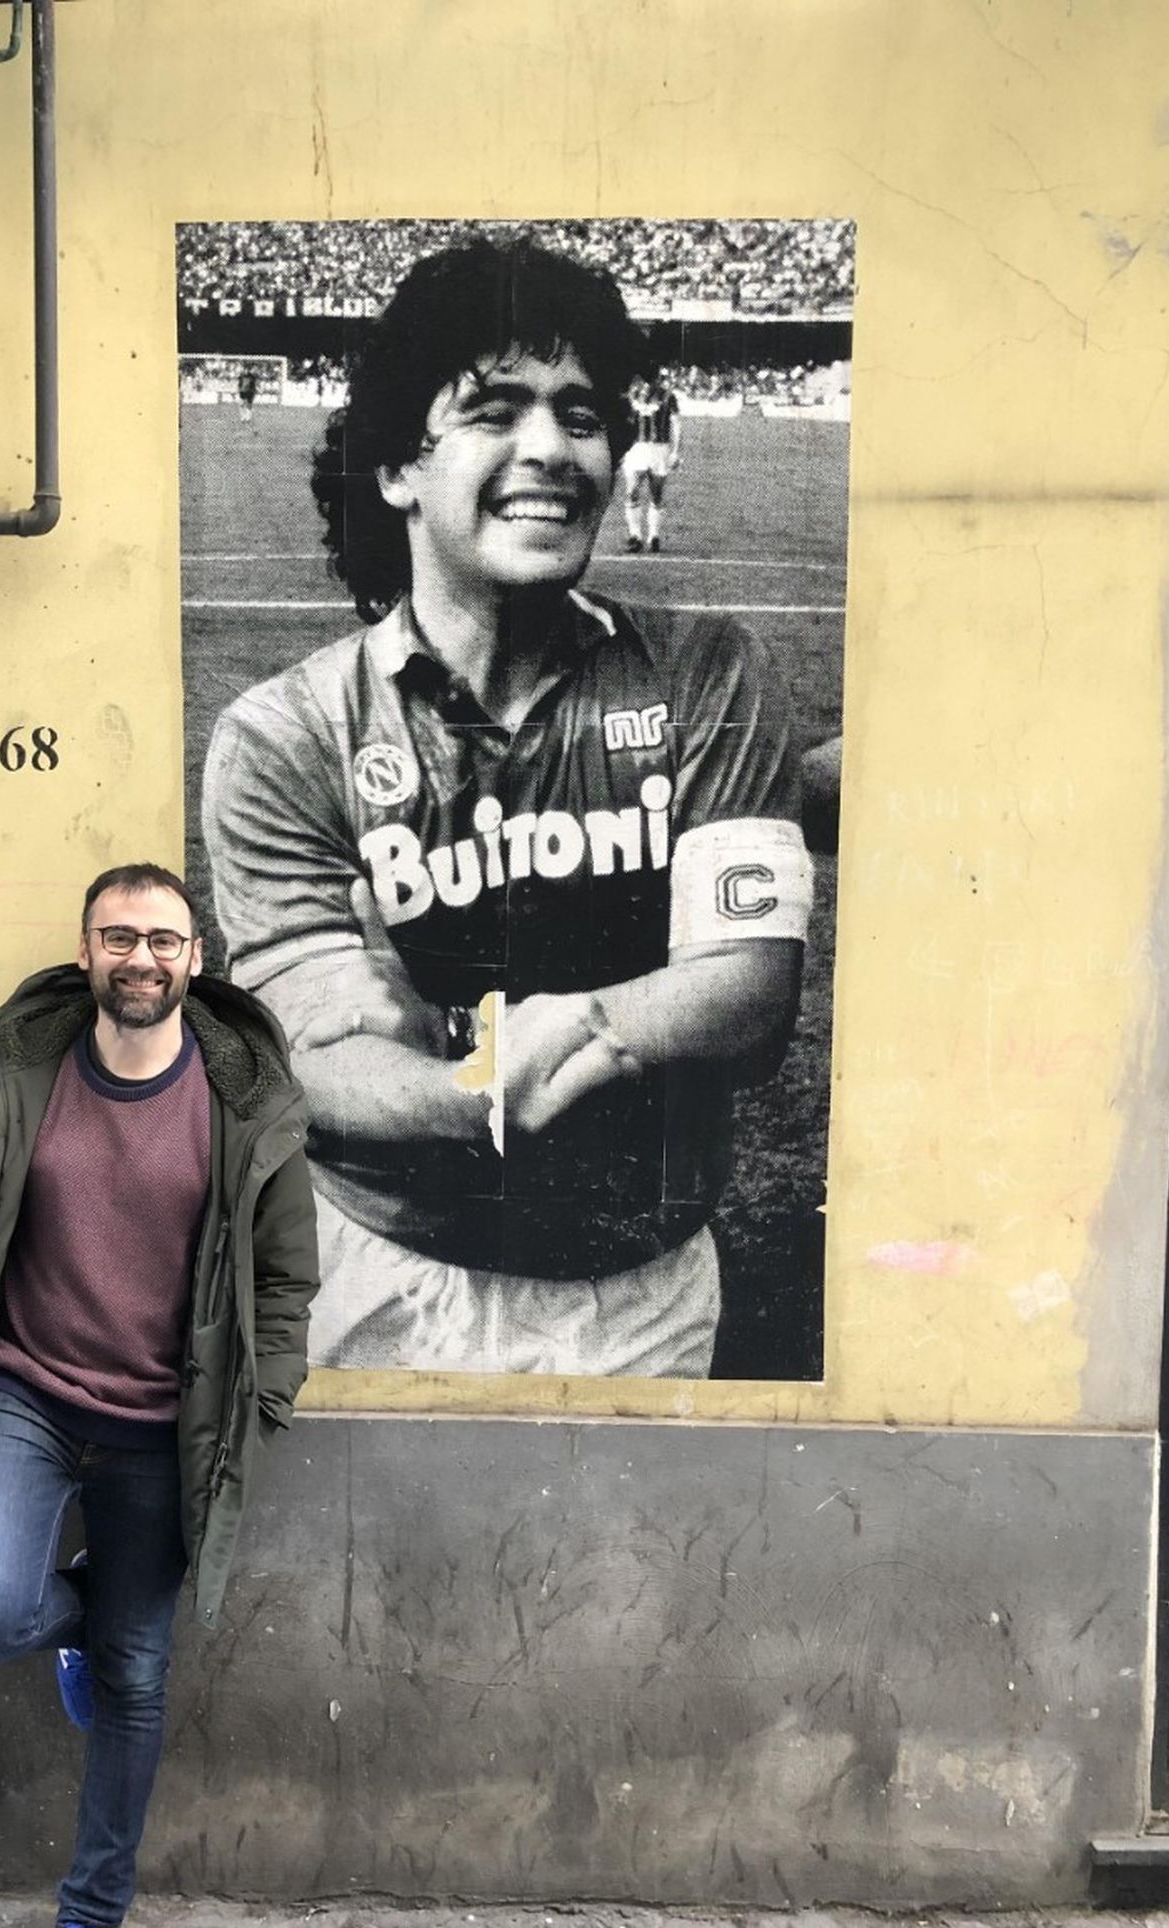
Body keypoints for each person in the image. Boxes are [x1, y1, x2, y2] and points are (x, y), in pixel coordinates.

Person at [201, 235, 812, 1380]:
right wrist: (502, 1079)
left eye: (582, 417)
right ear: (397, 468)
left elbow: (747, 992)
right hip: (378, 1272)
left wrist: (548, 1035)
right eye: (494, 410)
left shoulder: (705, 674)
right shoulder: (286, 735)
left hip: (641, 1289)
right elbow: (317, 1057)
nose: (551, 448)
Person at [0, 863, 317, 1928]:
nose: (140, 957)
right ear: (86, 954)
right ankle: (66, 1624)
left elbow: (286, 1275)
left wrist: (264, 1392)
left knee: (136, 1674)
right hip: (23, 1394)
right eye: (118, 937)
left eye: (162, 939)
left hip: (162, 1424)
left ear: (196, 956)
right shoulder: (15, 1084)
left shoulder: (245, 1107)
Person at [621, 366, 681, 552]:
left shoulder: (668, 396)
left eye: (652, 377)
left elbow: (677, 424)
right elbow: (624, 421)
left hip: (659, 449)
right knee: (632, 490)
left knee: (656, 494)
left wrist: (675, 451)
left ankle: (654, 536)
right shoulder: (633, 395)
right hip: (636, 448)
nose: (648, 381)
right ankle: (635, 536)